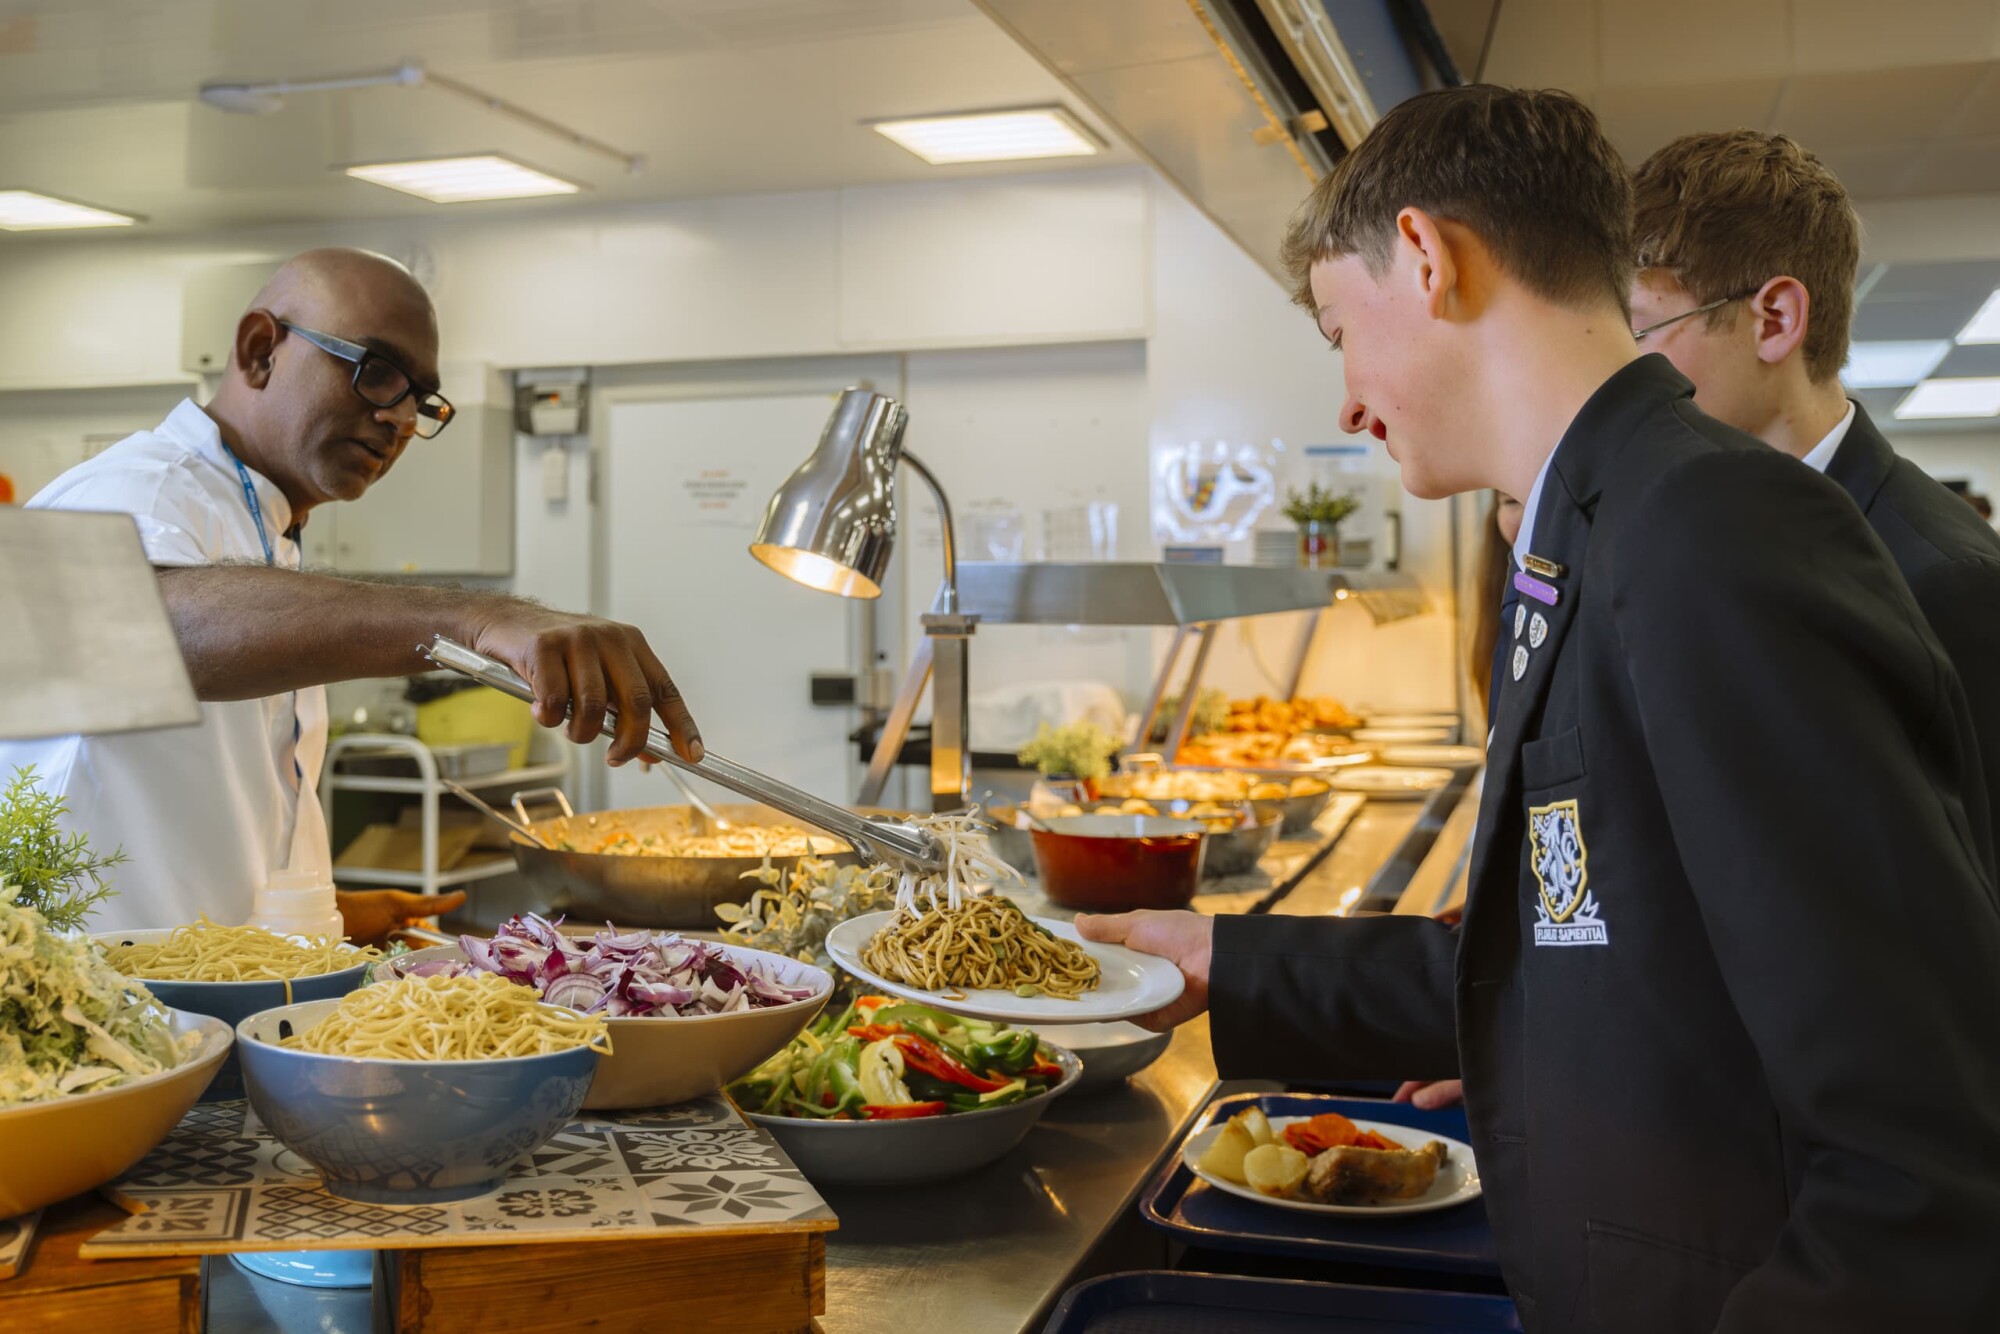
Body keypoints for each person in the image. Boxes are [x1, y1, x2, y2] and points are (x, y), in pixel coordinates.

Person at [1079, 86, 2000, 1331]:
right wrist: (1219, 957)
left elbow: (1916, 1150)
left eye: (1339, 331)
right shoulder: (1585, 526)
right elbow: (1587, 950)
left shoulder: (1709, 523)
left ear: (1426, 256)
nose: (1347, 401)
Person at [0, 249, 703, 944]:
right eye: (378, 373)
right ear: (259, 350)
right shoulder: (138, 489)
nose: (402, 420)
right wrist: (476, 617)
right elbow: (145, 631)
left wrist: (326, 917)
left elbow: (201, 804)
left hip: (210, 986)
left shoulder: (264, 524)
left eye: (421, 399)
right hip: (102, 998)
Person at [1629, 130, 2000, 875]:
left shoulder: (1944, 576)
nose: (1621, 372)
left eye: (1640, 330)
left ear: (1774, 320)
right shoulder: (1699, 536)